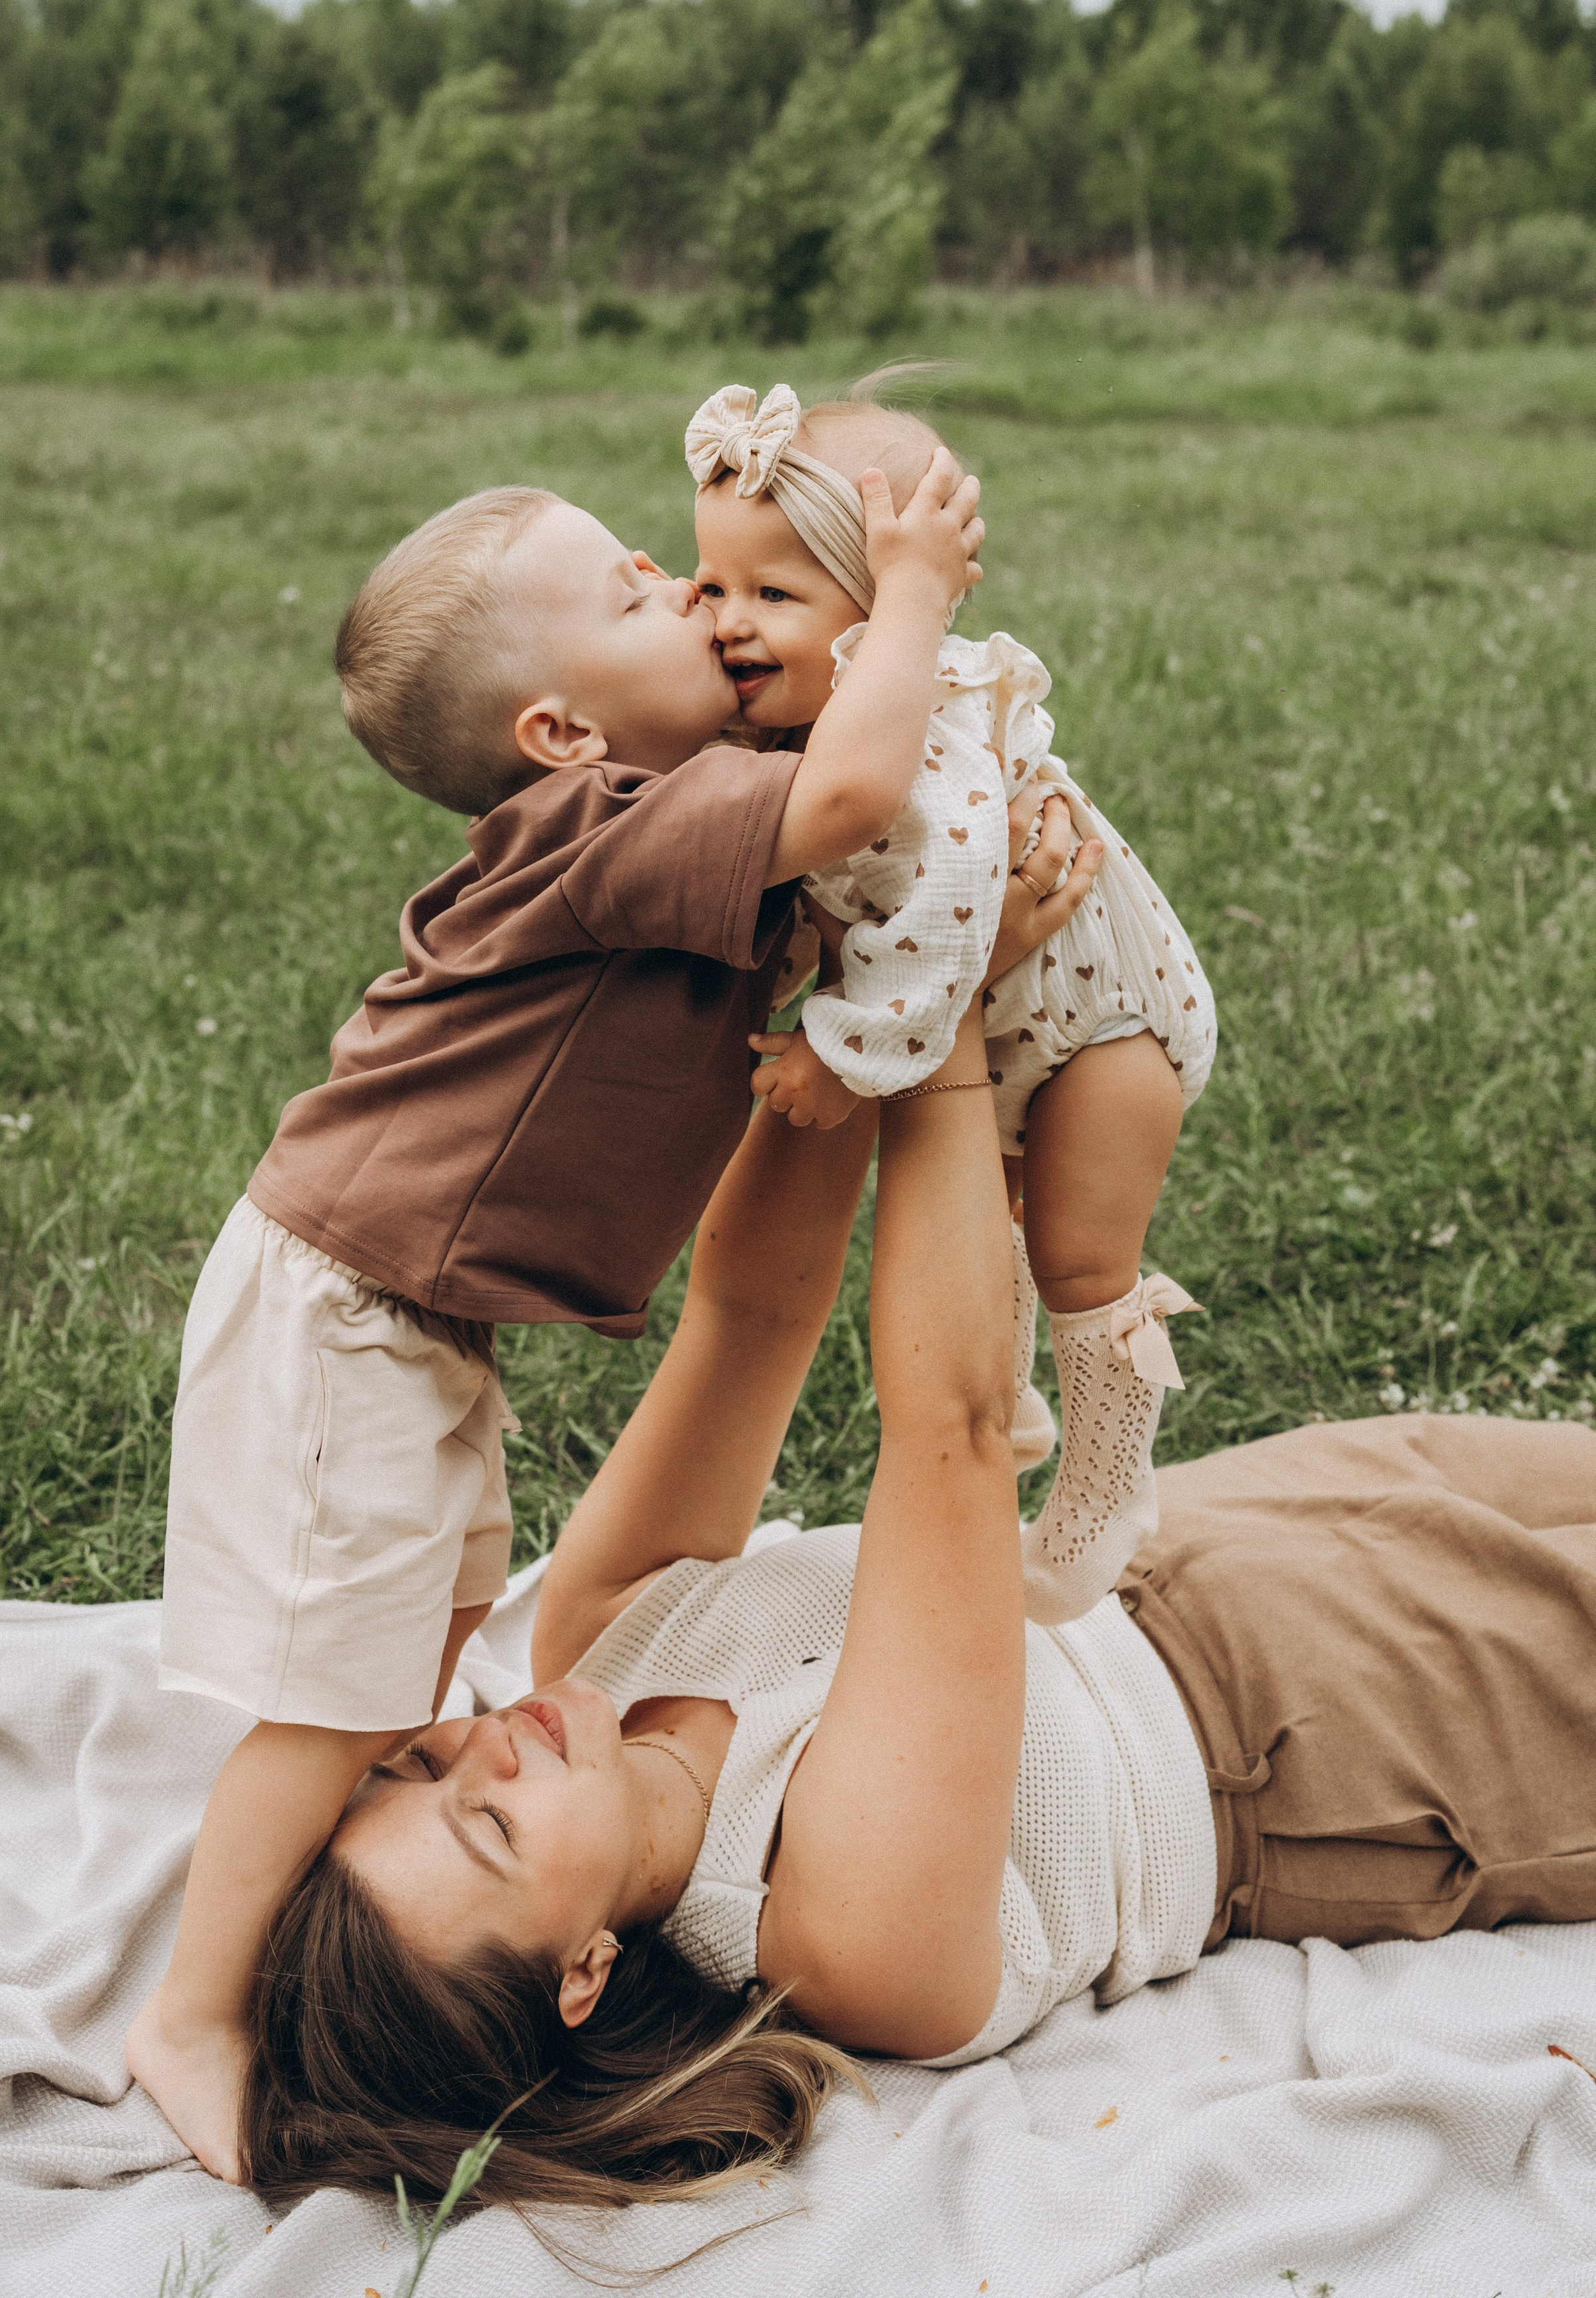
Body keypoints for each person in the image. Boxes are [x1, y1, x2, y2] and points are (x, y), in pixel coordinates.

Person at [238, 794, 1596, 2208]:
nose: (484, 1749)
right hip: (1342, 1743)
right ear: (582, 1972)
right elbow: (947, 1432)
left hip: (1208, 1533)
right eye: (492, 1829)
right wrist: (931, 1017)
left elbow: (750, 1310)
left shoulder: (595, 1639)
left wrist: (858, 988)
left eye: (419, 1766)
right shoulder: (830, 1933)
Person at [127, 454, 986, 2179]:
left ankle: (370, 1851)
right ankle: (192, 2012)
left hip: (425, 1319)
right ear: (560, 737)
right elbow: (847, 797)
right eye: (634, 594)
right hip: (347, 1306)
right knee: (332, 1695)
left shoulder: (661, 812)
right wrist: (911, 597)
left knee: (429, 1639)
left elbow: (829, 850)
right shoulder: (601, 829)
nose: (684, 589)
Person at [689, 380, 1214, 1623]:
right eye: (714, 587)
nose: (729, 625)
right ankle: (1015, 1400)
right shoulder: (806, 725)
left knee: (1081, 1254)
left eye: (775, 595)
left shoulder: (923, 738)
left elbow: (953, 905)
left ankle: (1106, 1482)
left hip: (1104, 1024)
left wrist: (836, 1041)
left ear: (880, 618)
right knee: (997, 1214)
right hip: (1024, 1015)